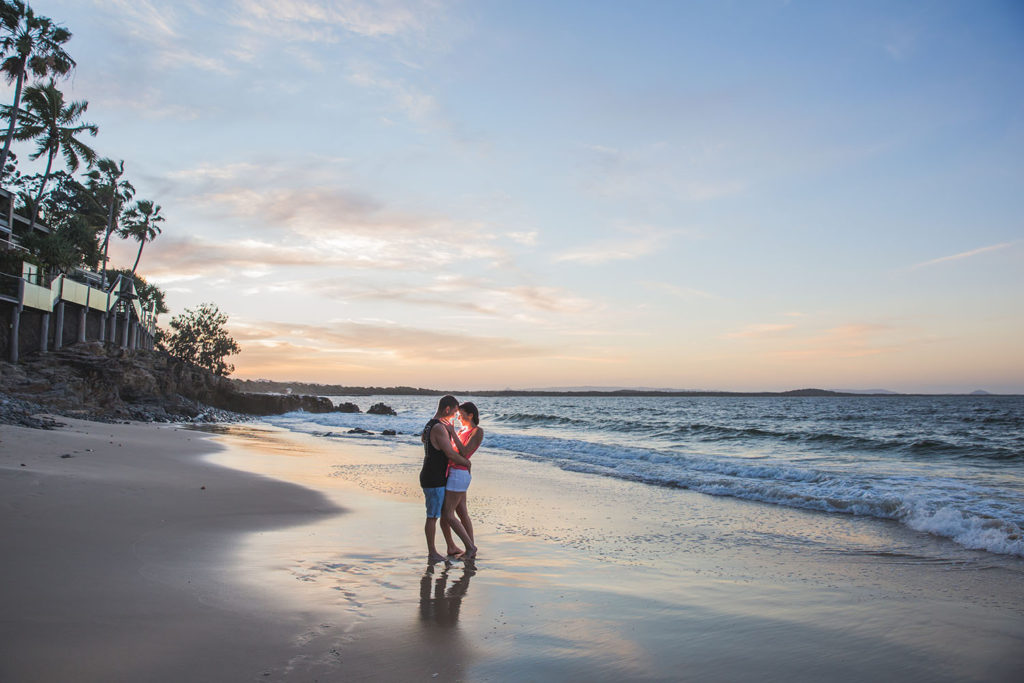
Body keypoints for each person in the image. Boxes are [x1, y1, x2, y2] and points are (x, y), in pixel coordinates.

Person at [420, 395, 474, 563]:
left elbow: (424, 439)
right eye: (454, 412)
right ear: (447, 409)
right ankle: (432, 552)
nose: (455, 416)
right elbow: (449, 453)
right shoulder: (438, 427)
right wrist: (466, 462)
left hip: (434, 474)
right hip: (433, 477)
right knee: (432, 516)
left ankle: (451, 546)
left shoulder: (430, 424)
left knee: (443, 513)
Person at [442, 402, 483, 560]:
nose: (458, 417)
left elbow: (464, 452)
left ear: (470, 415)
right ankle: (470, 548)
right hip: (455, 471)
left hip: (459, 474)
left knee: (448, 514)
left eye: (461, 414)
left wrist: (452, 433)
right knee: (461, 512)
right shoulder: (461, 431)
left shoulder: (477, 431)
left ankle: (470, 547)